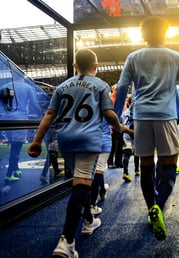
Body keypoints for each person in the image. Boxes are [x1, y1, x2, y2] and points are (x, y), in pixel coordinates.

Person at [28, 48, 123, 258]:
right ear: (96, 67)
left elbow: (49, 115)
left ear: (74, 66)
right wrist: (118, 128)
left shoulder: (62, 86)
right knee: (81, 184)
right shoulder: (101, 85)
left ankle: (89, 220)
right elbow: (109, 113)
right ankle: (67, 241)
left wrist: (36, 141)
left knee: (80, 181)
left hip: (65, 139)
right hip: (87, 139)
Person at [114, 16, 179, 241]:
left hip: (141, 118)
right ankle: (159, 207)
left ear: (143, 35)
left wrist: (115, 117)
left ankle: (151, 209)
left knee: (147, 167)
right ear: (165, 33)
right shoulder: (175, 56)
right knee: (170, 164)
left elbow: (121, 89)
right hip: (166, 117)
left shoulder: (133, 57)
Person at [0, 80, 41, 183]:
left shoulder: (3, 86)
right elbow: (34, 104)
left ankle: (16, 169)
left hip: (5, 119)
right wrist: (40, 117)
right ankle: (9, 174)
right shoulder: (27, 87)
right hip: (19, 119)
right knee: (16, 147)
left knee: (14, 145)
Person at [121, 96, 140, 182]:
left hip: (127, 134)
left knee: (127, 153)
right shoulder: (138, 113)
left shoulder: (125, 113)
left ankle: (125, 172)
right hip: (135, 134)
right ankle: (136, 170)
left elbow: (123, 123)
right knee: (136, 153)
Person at [107, 84, 124, 169]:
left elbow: (123, 112)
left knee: (120, 144)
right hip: (113, 124)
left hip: (120, 124)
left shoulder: (121, 99)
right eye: (116, 89)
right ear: (113, 89)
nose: (117, 90)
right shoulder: (111, 99)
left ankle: (119, 162)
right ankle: (110, 162)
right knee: (112, 145)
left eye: (118, 89)